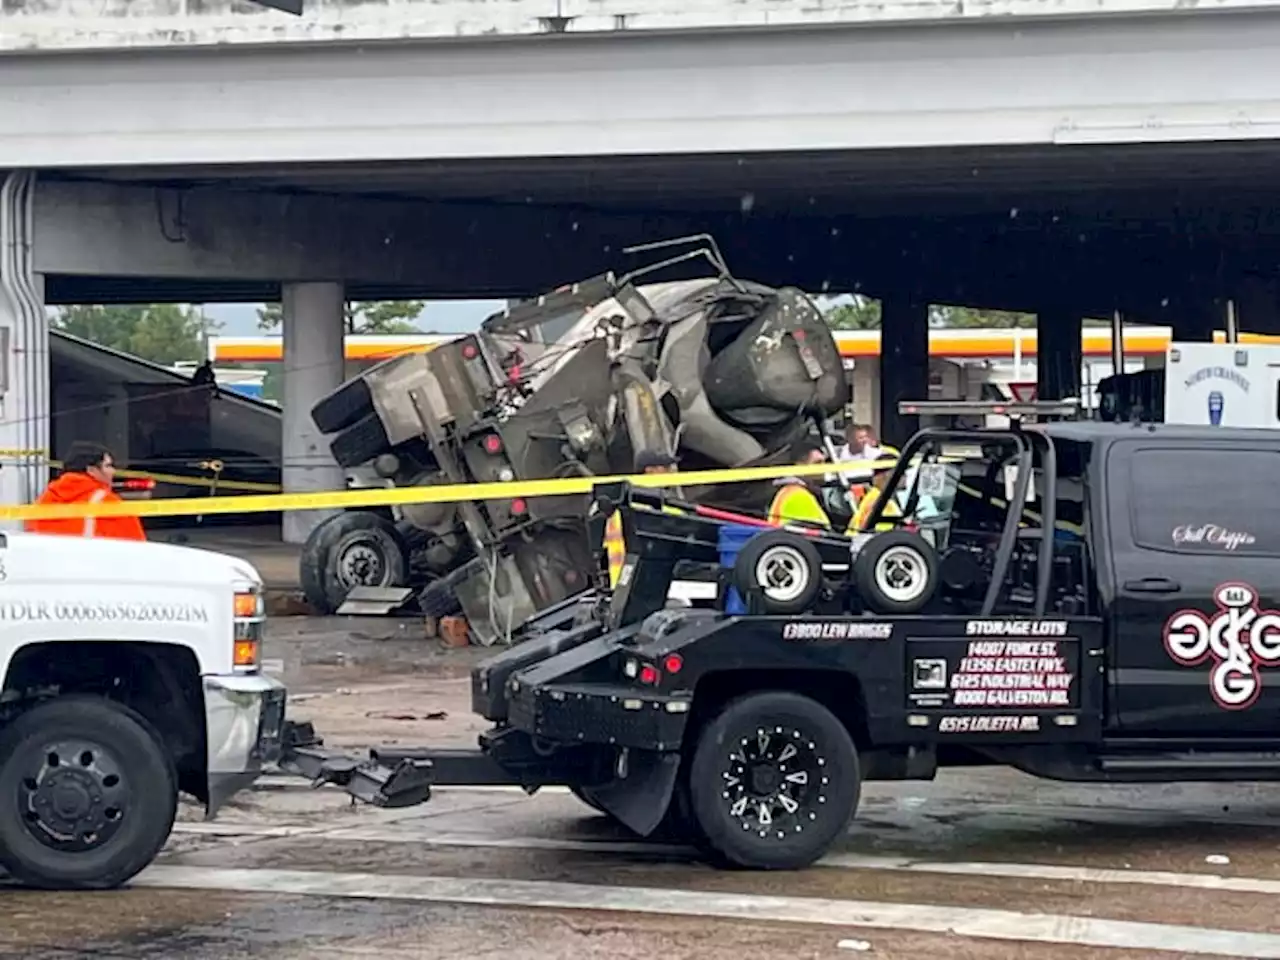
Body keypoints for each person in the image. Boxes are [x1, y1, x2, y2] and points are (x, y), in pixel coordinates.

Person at [26, 442, 147, 541]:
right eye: (108, 466)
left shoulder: (44, 500)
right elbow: (137, 549)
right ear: (91, 470)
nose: (113, 472)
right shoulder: (107, 503)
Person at [603, 450, 680, 589]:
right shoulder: (635, 509)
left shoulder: (622, 506)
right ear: (650, 472)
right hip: (637, 586)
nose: (671, 473)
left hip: (633, 586)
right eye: (665, 468)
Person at [766, 441, 833, 528]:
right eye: (818, 463)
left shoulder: (794, 491)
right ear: (800, 467)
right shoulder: (797, 496)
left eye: (825, 463)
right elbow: (808, 536)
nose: (824, 468)